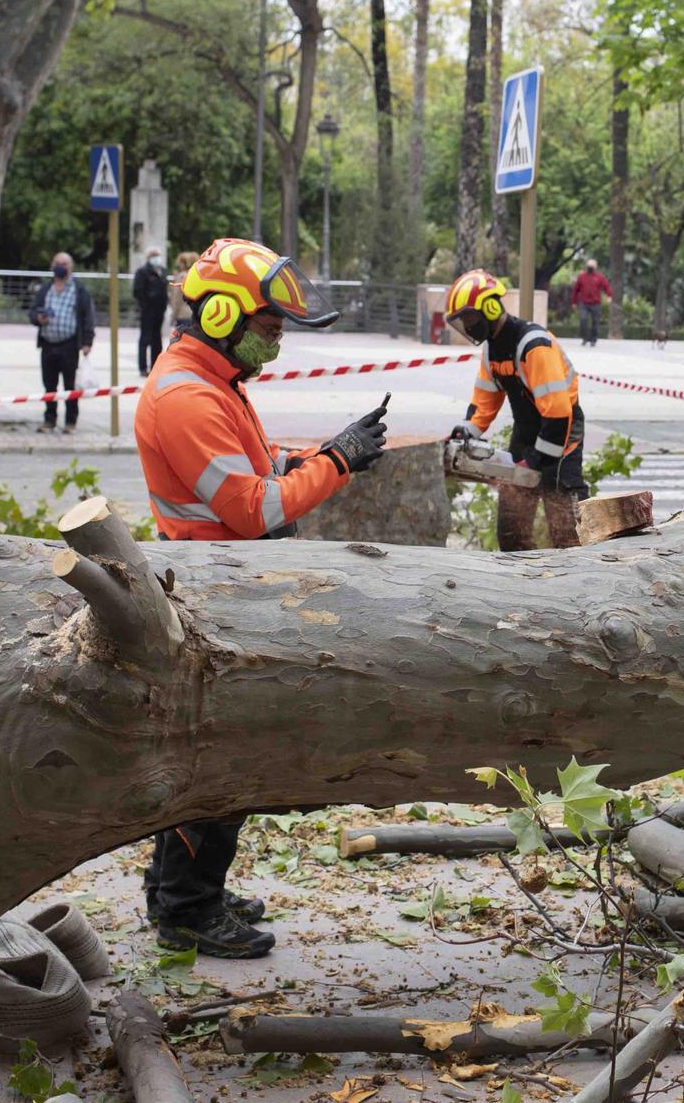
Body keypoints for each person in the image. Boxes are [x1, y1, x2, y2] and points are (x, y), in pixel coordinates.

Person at [136, 236, 389, 958]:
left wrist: (326, 452)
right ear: (220, 313)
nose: (274, 342)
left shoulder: (216, 384)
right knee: (223, 761)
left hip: (228, 579)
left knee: (214, 755)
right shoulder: (186, 397)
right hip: (216, 586)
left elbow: (260, 466)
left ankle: (181, 891)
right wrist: (335, 463)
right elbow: (251, 507)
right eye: (268, 328)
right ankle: (188, 904)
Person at [446, 269, 587, 549]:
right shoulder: (492, 350)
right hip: (526, 431)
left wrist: (533, 461)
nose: (468, 326)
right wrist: (465, 432)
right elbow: (483, 405)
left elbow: (559, 415)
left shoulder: (533, 345)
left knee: (565, 528)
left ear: (490, 306)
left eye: (470, 318)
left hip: (562, 433)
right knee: (511, 529)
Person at [26, 252, 95, 433]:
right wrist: (38, 318)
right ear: (52, 265)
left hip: (69, 345)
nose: (60, 267)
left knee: (70, 386)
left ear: (71, 267)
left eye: (64, 264)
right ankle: (49, 420)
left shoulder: (79, 291)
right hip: (48, 343)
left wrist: (87, 342)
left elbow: (88, 317)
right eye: (57, 263)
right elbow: (32, 311)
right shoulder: (45, 289)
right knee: (49, 385)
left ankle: (70, 422)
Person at [131, 246, 168, 376]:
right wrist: (145, 306)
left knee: (157, 340)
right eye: (153, 255)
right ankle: (142, 368)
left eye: (157, 254)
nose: (156, 258)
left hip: (159, 312)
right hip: (147, 312)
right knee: (145, 339)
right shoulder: (142, 272)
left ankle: (155, 366)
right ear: (148, 257)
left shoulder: (163, 271)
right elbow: (137, 291)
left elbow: (164, 290)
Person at [570, 257, 612, 347]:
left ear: (595, 267)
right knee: (583, 320)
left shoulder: (600, 277)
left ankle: (593, 339)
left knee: (595, 322)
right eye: (589, 266)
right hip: (584, 303)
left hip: (596, 303)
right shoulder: (582, 277)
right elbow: (576, 290)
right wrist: (574, 302)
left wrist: (609, 296)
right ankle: (585, 338)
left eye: (592, 266)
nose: (590, 268)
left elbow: (606, 286)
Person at [168, 249, 199, 330]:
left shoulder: (182, 276)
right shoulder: (198, 277)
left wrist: (173, 316)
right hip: (194, 314)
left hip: (182, 314)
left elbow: (177, 299)